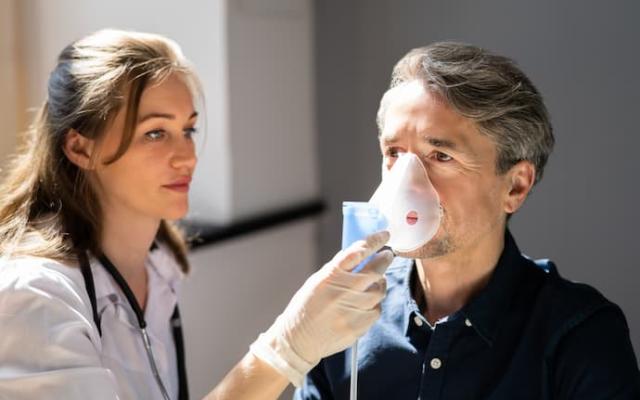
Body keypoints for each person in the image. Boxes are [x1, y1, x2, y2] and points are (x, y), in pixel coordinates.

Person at [0, 29, 394, 400]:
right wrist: (285, 348)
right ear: (80, 148)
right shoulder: (34, 297)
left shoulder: (158, 270)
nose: (187, 157)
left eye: (188, 130)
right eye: (155, 133)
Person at [295, 42, 640, 399]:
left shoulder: (577, 337)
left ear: (515, 186)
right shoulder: (347, 315)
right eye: (395, 153)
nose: (404, 182)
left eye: (441, 156)